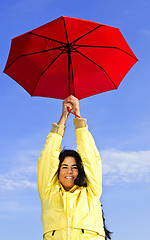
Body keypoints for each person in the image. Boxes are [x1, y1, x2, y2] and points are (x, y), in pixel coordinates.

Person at [38, 95, 111, 240]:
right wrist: (63, 117)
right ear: (57, 171)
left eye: (75, 167)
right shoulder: (49, 193)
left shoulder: (91, 191)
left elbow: (90, 158)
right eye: (64, 167)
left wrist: (77, 116)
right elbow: (48, 157)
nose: (69, 171)